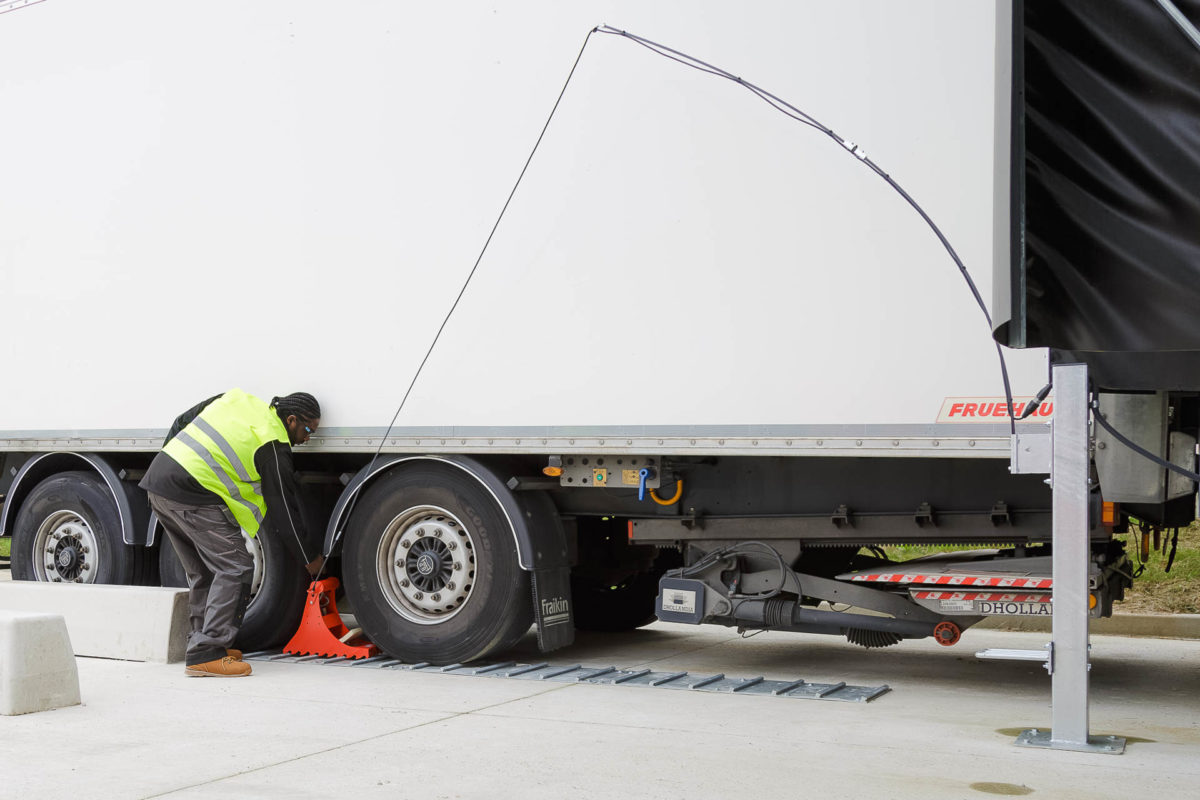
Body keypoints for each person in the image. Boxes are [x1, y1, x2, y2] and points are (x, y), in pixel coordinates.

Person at [140, 389, 325, 677]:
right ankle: (208, 650)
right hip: (191, 492)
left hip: (160, 483)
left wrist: (167, 466)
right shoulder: (272, 443)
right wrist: (309, 558)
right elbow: (284, 511)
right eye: (308, 430)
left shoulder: (238, 399)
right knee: (236, 567)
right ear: (291, 420)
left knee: (203, 571)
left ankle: (201, 644)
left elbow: (180, 422)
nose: (308, 438)